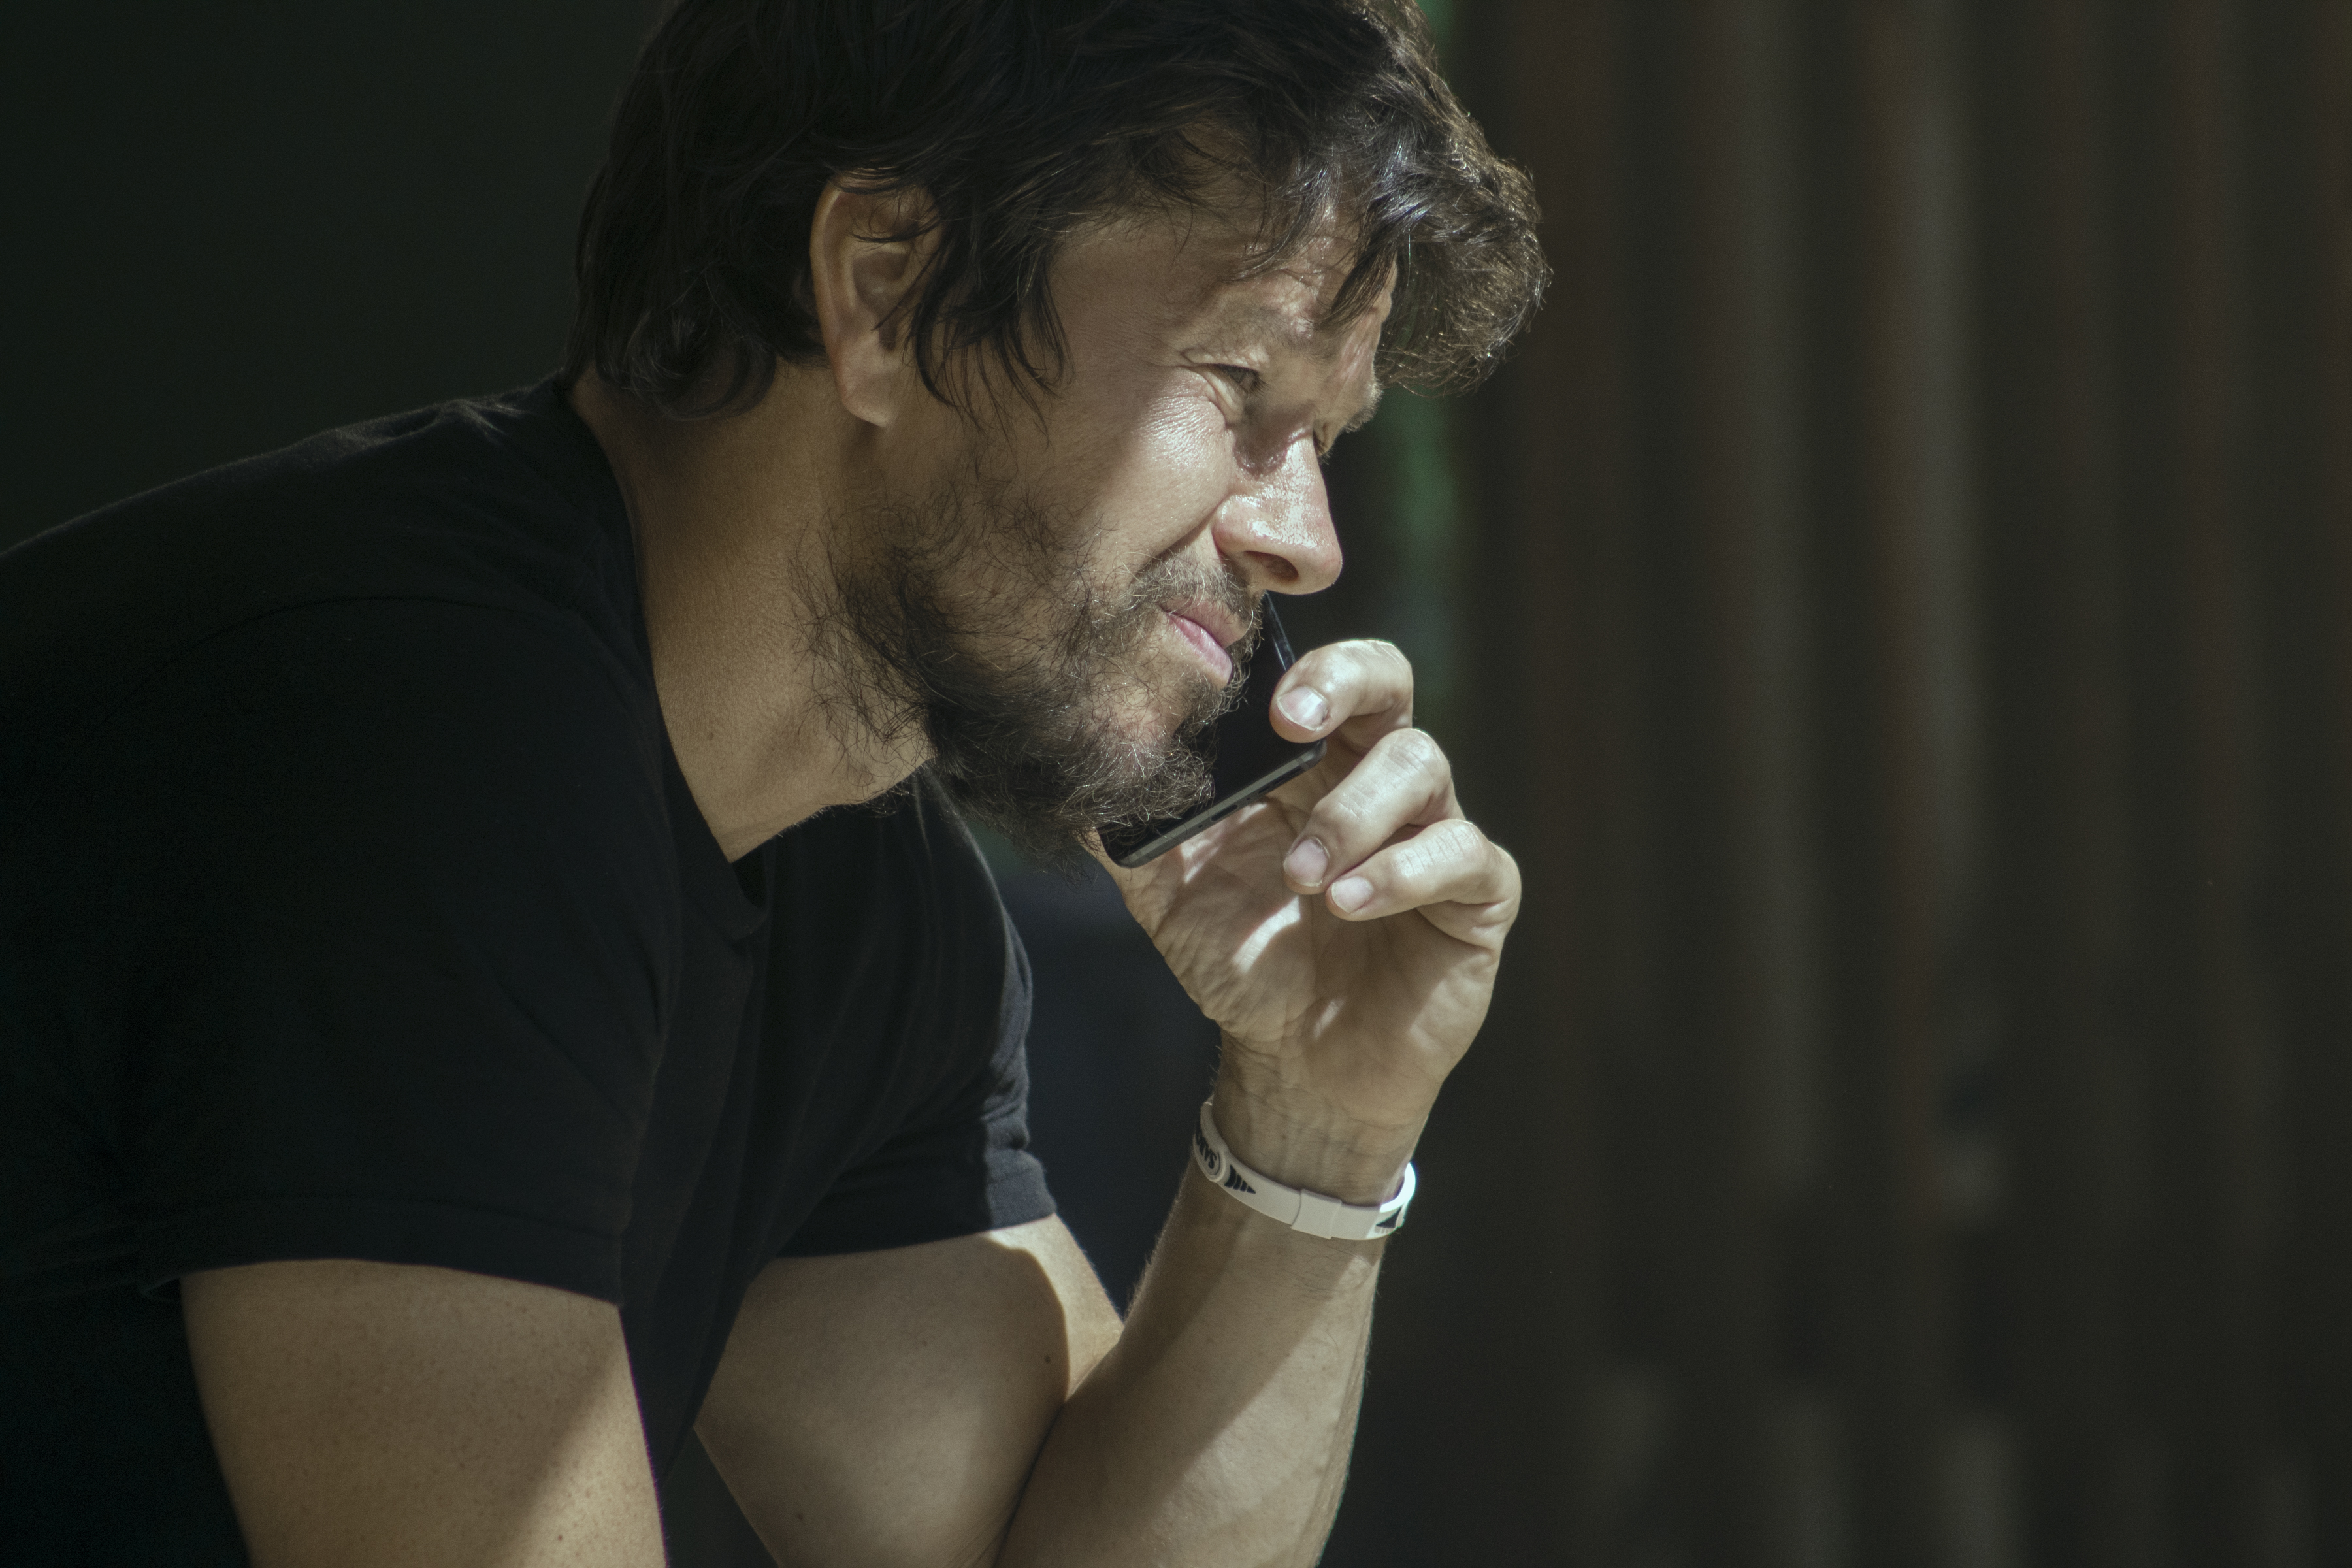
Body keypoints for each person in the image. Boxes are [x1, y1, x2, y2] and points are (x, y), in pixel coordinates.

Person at [0, 0, 1543, 1561]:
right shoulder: (430, 747)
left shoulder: (846, 875)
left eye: (1325, 438)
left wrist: (1318, 1123)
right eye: (1238, 387)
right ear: (885, 292)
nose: (1306, 541)